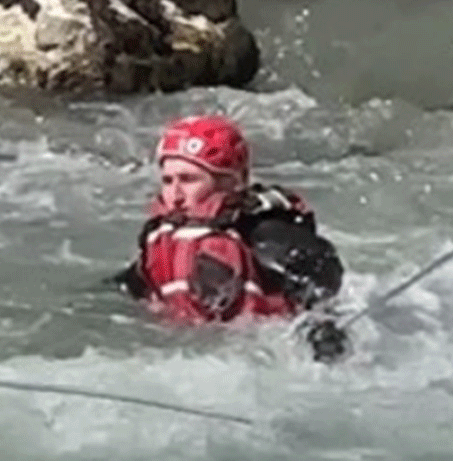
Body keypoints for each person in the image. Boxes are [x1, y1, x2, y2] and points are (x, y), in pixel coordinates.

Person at [112, 115, 349, 362]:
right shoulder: (159, 240)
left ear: (229, 182)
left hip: (261, 358)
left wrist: (320, 325)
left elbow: (322, 272)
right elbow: (127, 287)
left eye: (189, 179)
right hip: (188, 356)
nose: (176, 195)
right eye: (168, 181)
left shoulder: (260, 230)